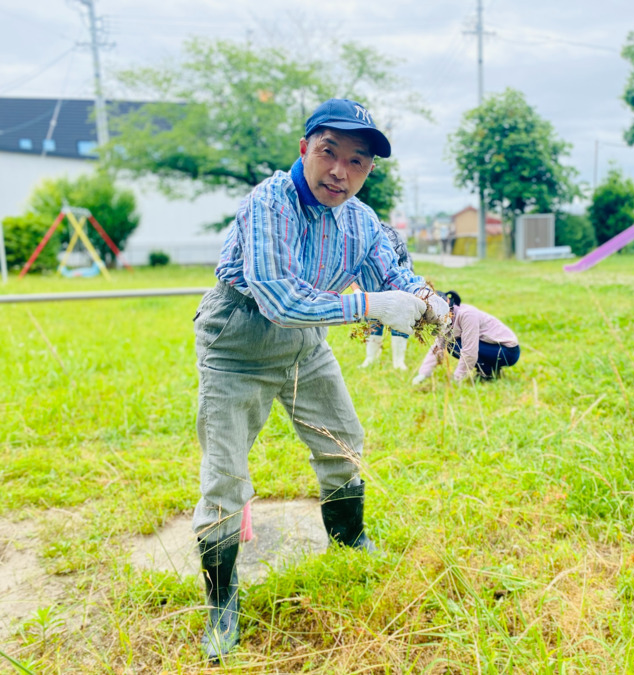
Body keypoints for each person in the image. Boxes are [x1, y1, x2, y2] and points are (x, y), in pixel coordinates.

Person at [191, 98, 449, 662]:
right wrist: (368, 304)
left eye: (357, 162)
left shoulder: (360, 219)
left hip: (307, 346)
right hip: (237, 343)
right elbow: (279, 297)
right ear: (305, 147)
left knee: (343, 440)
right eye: (329, 152)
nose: (340, 171)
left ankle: (349, 538)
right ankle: (222, 600)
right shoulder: (270, 202)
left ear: (369, 170)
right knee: (225, 475)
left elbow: (394, 272)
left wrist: (432, 304)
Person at [412, 290, 519, 385]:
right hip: (490, 347)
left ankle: (487, 374)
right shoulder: (444, 320)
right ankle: (491, 371)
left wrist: (456, 379)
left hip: (508, 351)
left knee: (454, 345)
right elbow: (437, 347)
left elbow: (470, 351)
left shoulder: (467, 315)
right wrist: (423, 374)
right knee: (452, 344)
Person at [359, 222, 414, 370]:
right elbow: (353, 272)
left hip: (399, 278)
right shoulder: (358, 246)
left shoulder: (391, 241)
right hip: (374, 284)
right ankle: (370, 358)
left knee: (399, 317)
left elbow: (401, 271)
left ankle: (398, 362)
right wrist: (358, 290)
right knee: (373, 319)